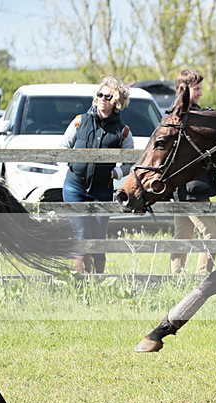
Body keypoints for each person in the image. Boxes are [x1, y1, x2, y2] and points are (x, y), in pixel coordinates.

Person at [61, 76, 134, 273]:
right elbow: (63, 147)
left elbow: (130, 161)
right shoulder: (79, 121)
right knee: (82, 233)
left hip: (102, 190)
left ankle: (98, 280)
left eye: (108, 96)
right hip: (74, 187)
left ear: (116, 102)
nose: (102, 99)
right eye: (100, 95)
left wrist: (115, 173)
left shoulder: (123, 131)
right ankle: (81, 280)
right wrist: (74, 164)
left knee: (98, 237)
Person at [169, 69, 216, 275]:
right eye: (197, 88)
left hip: (185, 187)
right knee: (214, 234)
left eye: (201, 88)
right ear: (183, 90)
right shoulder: (182, 117)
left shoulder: (189, 113)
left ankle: (175, 277)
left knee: (182, 234)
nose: (201, 92)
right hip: (191, 188)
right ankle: (203, 275)